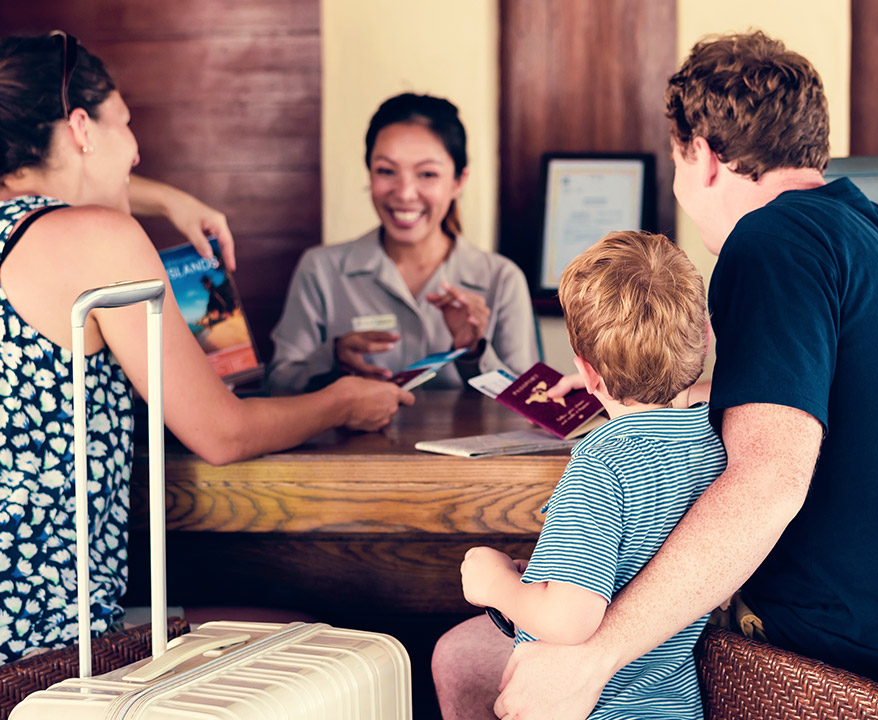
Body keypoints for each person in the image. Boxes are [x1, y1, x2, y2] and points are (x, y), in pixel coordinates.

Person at [436, 31, 878, 719]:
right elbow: (826, 393)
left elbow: (769, 480)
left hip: (856, 663)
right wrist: (666, 390)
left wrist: (597, 658)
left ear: (705, 157)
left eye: (677, 162)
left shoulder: (769, 241)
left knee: (469, 660)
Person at [0, 31, 414, 664]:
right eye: (127, 124)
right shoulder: (100, 240)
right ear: (81, 127)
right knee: (323, 640)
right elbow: (222, 434)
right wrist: (342, 403)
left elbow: (62, 193)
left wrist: (168, 198)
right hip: (52, 639)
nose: (136, 153)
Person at [452, 231, 726, 720]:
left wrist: (493, 583)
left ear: (585, 371)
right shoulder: (713, 443)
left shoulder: (602, 464)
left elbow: (568, 619)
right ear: (704, 337)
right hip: (672, 704)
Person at [267, 93, 538, 394]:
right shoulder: (321, 270)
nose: (405, 193)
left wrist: (473, 352)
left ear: (458, 181)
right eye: (386, 171)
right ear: (369, 172)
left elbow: (534, 403)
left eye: (427, 174)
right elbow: (278, 385)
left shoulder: (501, 279)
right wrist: (332, 358)